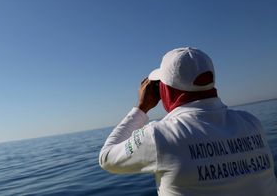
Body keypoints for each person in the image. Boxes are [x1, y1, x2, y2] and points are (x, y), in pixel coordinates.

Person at [99, 47, 277, 196]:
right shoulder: (252, 123)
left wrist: (141, 108)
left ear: (166, 90)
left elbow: (106, 158)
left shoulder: (159, 136)